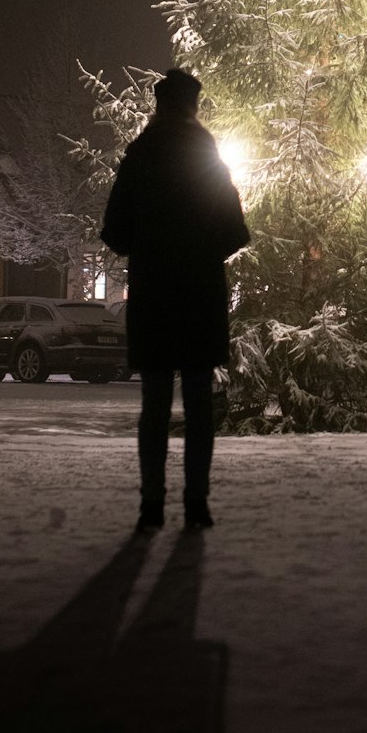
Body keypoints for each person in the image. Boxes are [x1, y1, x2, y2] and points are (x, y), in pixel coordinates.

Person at [101, 68, 250, 533]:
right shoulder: (208, 157)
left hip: (154, 297)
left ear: (158, 107)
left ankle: (151, 505)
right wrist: (201, 255)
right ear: (194, 107)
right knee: (200, 403)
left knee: (155, 403)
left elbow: (115, 233)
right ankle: (196, 503)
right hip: (200, 296)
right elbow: (234, 230)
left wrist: (151, 250)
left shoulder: (140, 156)